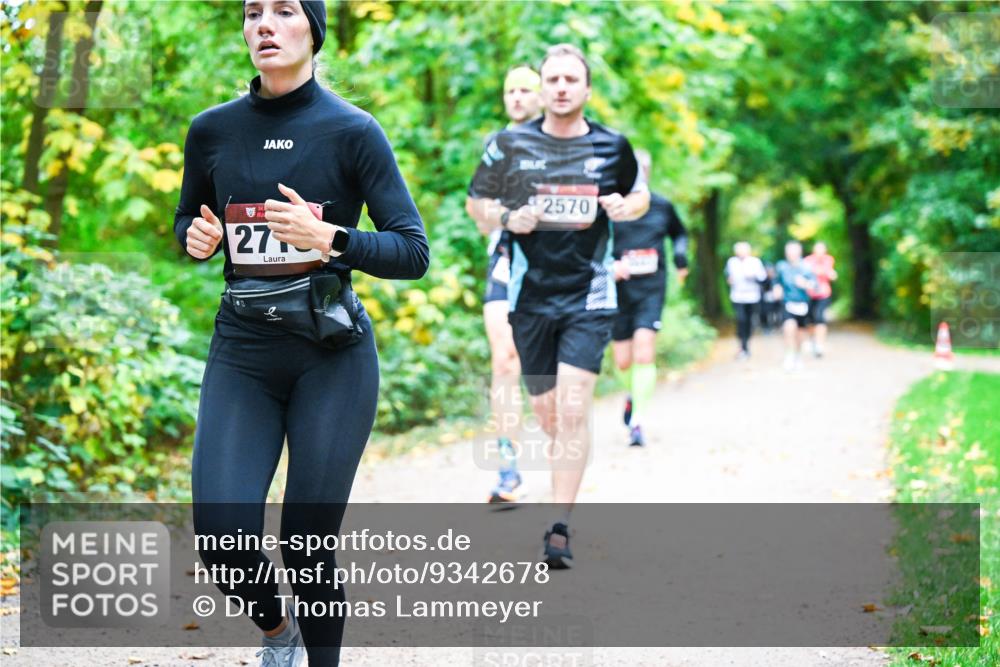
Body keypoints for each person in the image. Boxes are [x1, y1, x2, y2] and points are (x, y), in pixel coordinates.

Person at [175, 2, 429, 665]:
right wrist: (195, 238)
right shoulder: (211, 131)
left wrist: (334, 239)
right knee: (222, 539)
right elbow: (188, 221)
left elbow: (413, 251)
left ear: (312, 29)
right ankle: (277, 632)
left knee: (308, 544)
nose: (264, 24)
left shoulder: (352, 130)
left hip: (332, 356)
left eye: (284, 10)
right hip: (244, 351)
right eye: (252, 12)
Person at [467, 43, 649, 569]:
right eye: (554, 79)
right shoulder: (509, 143)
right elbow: (477, 203)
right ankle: (559, 466)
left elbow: (639, 195)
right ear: (543, 88)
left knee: (572, 411)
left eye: (573, 79)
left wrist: (623, 205)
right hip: (528, 296)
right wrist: (507, 217)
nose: (563, 87)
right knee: (549, 416)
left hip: (589, 294)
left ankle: (559, 528)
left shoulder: (613, 146)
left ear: (587, 90)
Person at [475, 65, 542, 504]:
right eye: (510, 91)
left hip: (552, 272)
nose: (516, 97)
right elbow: (479, 210)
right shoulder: (494, 146)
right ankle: (508, 468)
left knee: (544, 372)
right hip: (504, 265)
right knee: (504, 362)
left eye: (525, 90)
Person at [611, 149, 688, 447]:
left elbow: (680, 234)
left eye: (644, 168)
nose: (639, 173)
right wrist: (609, 266)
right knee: (622, 361)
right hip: (617, 292)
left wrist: (680, 259)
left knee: (644, 353)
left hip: (650, 291)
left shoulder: (661, 206)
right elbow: (590, 246)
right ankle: (633, 395)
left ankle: (638, 420)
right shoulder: (611, 209)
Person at [774, 241, 817, 372]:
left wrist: (805, 283)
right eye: (788, 252)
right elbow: (777, 281)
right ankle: (789, 355)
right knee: (788, 327)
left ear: (799, 252)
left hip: (803, 303)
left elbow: (814, 285)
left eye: (793, 252)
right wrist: (777, 288)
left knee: (800, 332)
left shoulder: (806, 267)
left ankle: (798, 356)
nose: (791, 254)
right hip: (787, 302)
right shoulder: (781, 266)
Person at [724, 241, 766, 360]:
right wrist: (730, 279)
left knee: (749, 321)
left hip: (752, 297)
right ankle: (743, 346)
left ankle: (746, 343)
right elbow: (727, 276)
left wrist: (752, 276)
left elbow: (763, 279)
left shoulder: (755, 262)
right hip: (737, 296)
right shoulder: (731, 262)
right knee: (741, 320)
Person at [804, 241, 837, 358]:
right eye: (818, 249)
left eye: (822, 249)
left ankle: (820, 344)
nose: (820, 252)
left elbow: (830, 273)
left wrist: (827, 273)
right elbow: (806, 274)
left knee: (820, 317)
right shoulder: (808, 260)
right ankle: (813, 341)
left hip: (823, 294)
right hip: (809, 295)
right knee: (810, 320)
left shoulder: (828, 259)